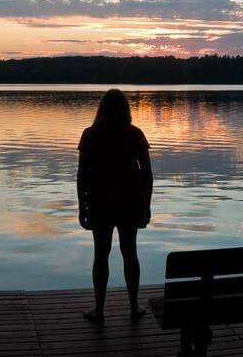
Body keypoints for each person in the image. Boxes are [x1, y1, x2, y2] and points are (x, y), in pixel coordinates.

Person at [77, 88, 153, 322]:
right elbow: (147, 174)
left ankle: (99, 309)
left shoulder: (90, 134)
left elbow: (82, 176)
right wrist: (147, 205)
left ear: (101, 109)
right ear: (126, 110)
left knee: (101, 255)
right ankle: (133, 306)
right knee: (130, 253)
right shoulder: (135, 134)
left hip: (100, 203)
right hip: (130, 203)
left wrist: (82, 207)